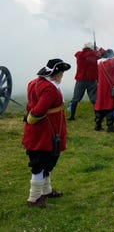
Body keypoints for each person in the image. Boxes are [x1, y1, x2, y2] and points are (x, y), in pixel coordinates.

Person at [22, 58, 72, 208]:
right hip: (46, 130)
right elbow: (39, 109)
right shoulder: (49, 88)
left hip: (41, 129)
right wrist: (32, 118)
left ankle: (46, 191)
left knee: (47, 162)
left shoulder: (34, 82)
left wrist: (30, 117)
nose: (62, 75)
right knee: (41, 163)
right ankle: (35, 198)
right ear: (55, 73)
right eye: (61, 73)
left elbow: (31, 105)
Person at [68, 41, 106, 120]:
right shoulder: (94, 54)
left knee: (75, 99)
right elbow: (103, 52)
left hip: (80, 79)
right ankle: (97, 117)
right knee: (94, 99)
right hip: (91, 79)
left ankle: (72, 116)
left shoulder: (79, 54)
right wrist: (98, 48)